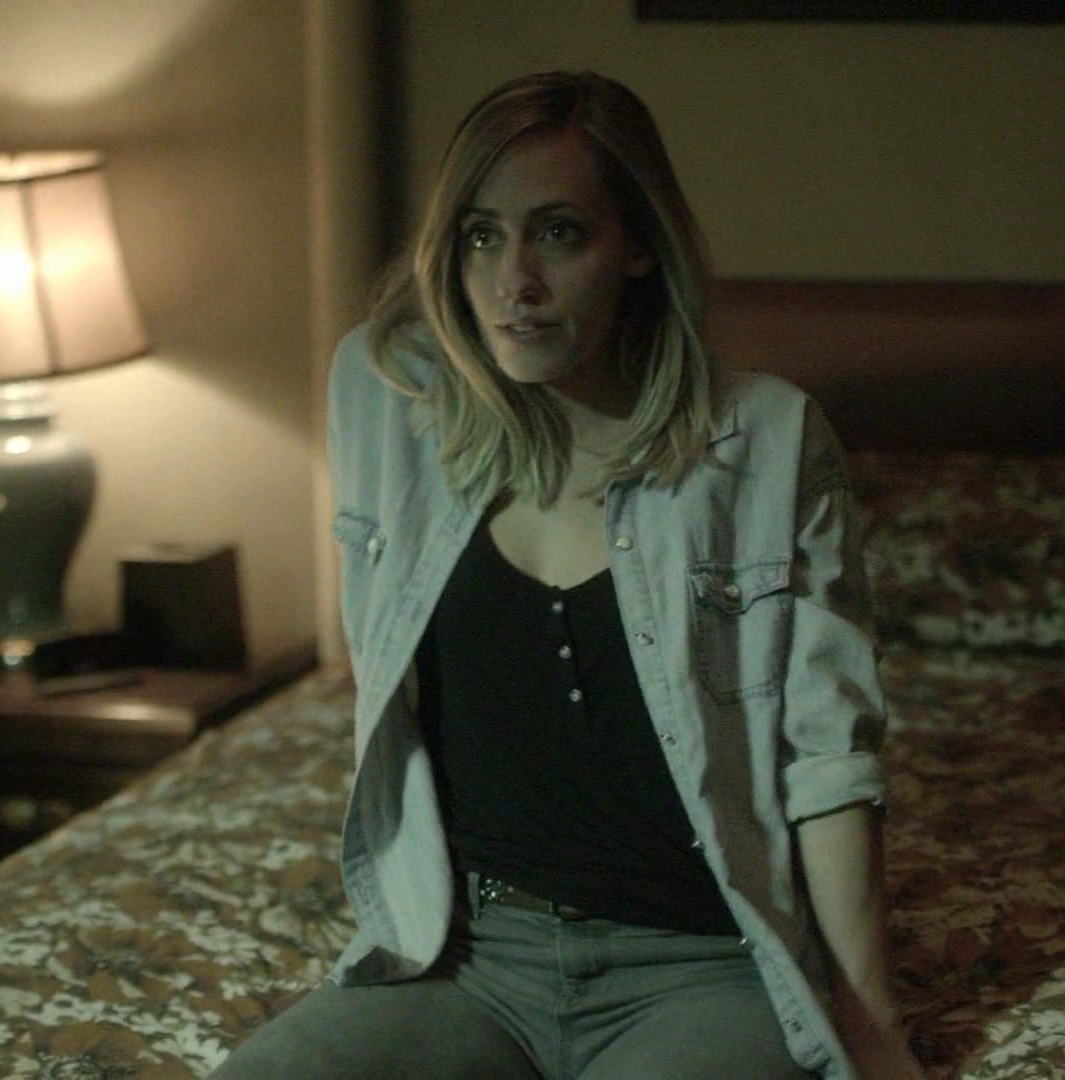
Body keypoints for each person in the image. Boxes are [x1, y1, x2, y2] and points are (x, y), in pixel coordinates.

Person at [210, 70, 925, 1080]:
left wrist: (871, 1021)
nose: (516, 283)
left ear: (638, 246)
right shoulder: (385, 397)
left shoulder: (764, 441)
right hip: (464, 958)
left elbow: (827, 755)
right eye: (481, 237)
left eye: (557, 233)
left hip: (700, 968)